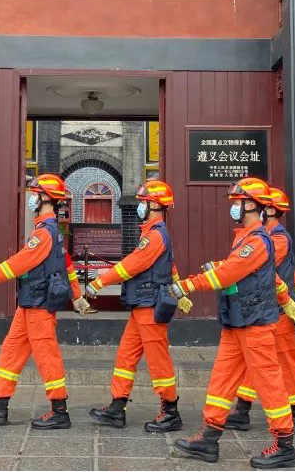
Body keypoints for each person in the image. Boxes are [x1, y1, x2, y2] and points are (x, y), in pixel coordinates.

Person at [167, 177, 295, 470]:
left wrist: (188, 285)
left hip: (254, 324)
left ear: (252, 205)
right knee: (222, 379)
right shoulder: (245, 238)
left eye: (238, 202)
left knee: (269, 382)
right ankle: (209, 437)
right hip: (237, 321)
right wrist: (286, 299)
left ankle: (284, 445)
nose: (234, 207)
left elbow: (228, 274)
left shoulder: (257, 240)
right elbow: (268, 277)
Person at [0, 174, 90, 429]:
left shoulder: (44, 234)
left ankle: (59, 411)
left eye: (36, 194)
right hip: (29, 304)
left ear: (46, 199)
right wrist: (77, 296)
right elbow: (67, 265)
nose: (32, 198)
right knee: (11, 352)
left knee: (47, 357)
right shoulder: (50, 231)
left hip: (39, 307)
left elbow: (18, 264)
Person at [86, 180, 192, 433]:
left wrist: (100, 282)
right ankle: (116, 407)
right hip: (142, 305)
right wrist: (180, 290)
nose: (140, 206)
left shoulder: (155, 235)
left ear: (156, 205)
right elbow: (170, 266)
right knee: (126, 356)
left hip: (150, 305)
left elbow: (132, 265)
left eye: (144, 202)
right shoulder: (152, 233)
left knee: (158, 361)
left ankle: (170, 411)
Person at [225, 186, 295, 435]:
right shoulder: (262, 236)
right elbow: (290, 274)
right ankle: (242, 410)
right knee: (254, 360)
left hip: (279, 310)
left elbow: (263, 268)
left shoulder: (277, 239)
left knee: (286, 361)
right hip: (267, 308)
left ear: (270, 210)